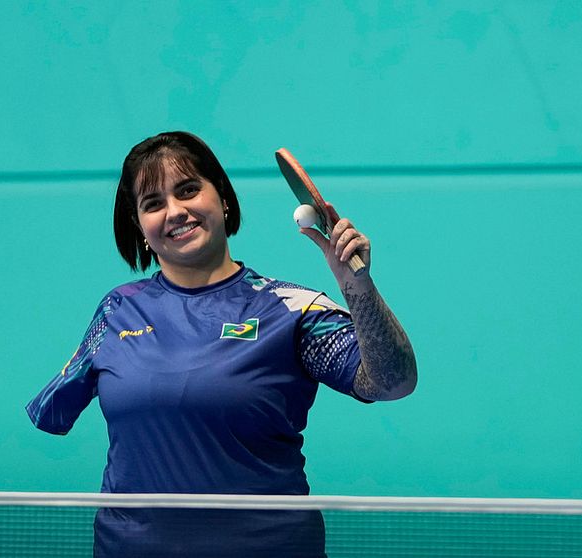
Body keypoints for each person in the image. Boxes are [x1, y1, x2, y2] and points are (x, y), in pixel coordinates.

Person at [26, 131, 417, 557]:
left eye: (188, 190)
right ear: (140, 227)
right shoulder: (117, 310)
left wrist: (355, 284)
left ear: (224, 199)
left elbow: (392, 382)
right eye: (153, 204)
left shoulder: (290, 308)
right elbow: (52, 410)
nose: (175, 211)